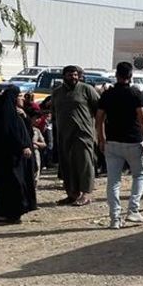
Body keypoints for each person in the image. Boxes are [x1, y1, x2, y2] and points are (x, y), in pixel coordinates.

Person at [96, 62, 143, 229]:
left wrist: (101, 138)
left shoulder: (107, 94)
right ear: (131, 75)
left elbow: (99, 119)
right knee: (139, 175)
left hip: (112, 141)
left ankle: (114, 218)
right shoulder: (135, 93)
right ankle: (133, 210)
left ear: (116, 75)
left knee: (113, 181)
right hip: (133, 140)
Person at [0, 87, 38, 224]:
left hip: (16, 158)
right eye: (19, 96)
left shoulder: (16, 113)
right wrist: (22, 146)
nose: (22, 99)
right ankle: (9, 214)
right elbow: (10, 133)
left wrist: (24, 117)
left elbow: (27, 132)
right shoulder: (5, 115)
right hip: (9, 158)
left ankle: (8, 214)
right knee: (12, 185)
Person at [49, 65, 101, 207]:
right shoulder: (57, 92)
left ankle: (86, 194)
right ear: (63, 76)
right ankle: (72, 194)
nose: (74, 77)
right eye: (70, 75)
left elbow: (99, 110)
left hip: (83, 134)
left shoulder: (86, 89)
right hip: (64, 134)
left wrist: (99, 131)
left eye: (76, 75)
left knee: (84, 163)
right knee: (67, 165)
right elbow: (52, 111)